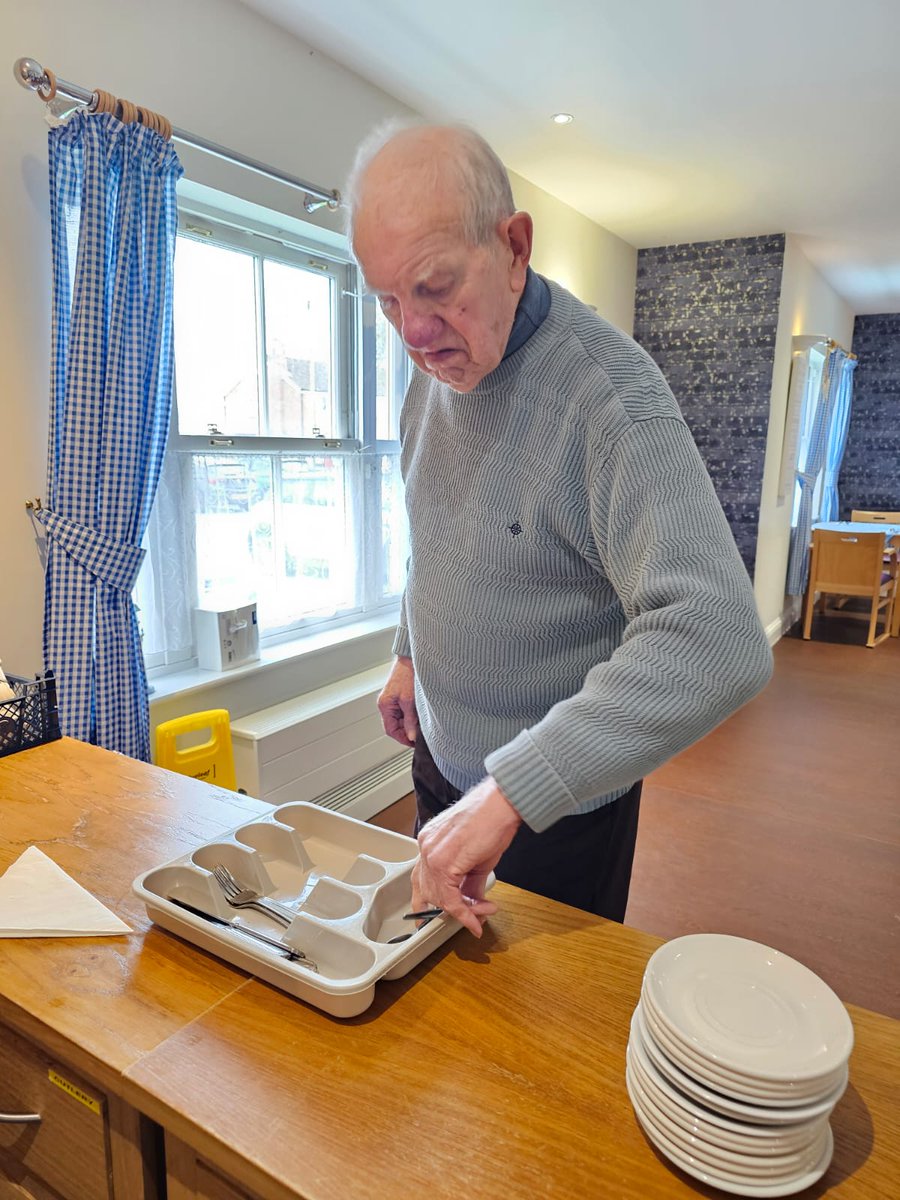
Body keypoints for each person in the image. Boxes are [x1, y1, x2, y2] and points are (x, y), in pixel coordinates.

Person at [345, 121, 773, 937]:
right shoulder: (429, 376)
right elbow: (430, 528)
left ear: (513, 248)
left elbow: (719, 636)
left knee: (540, 1047)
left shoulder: (610, 398)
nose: (414, 333)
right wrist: (407, 654)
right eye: (388, 300)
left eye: (435, 287)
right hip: (439, 758)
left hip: (552, 808)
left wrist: (514, 790)